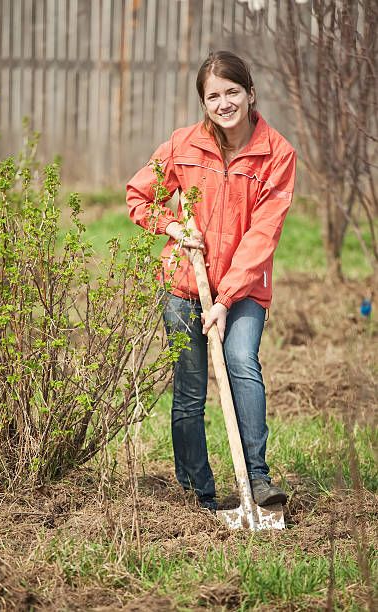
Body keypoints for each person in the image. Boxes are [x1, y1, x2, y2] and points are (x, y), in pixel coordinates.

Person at [126, 50, 296, 512]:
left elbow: (264, 233)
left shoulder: (277, 154)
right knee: (190, 386)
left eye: (232, 92)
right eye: (213, 95)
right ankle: (196, 494)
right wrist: (172, 226)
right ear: (204, 102)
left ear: (250, 93)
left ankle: (257, 480)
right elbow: (139, 195)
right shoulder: (184, 145)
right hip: (184, 284)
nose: (224, 103)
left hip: (243, 290)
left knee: (242, 361)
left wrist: (224, 300)